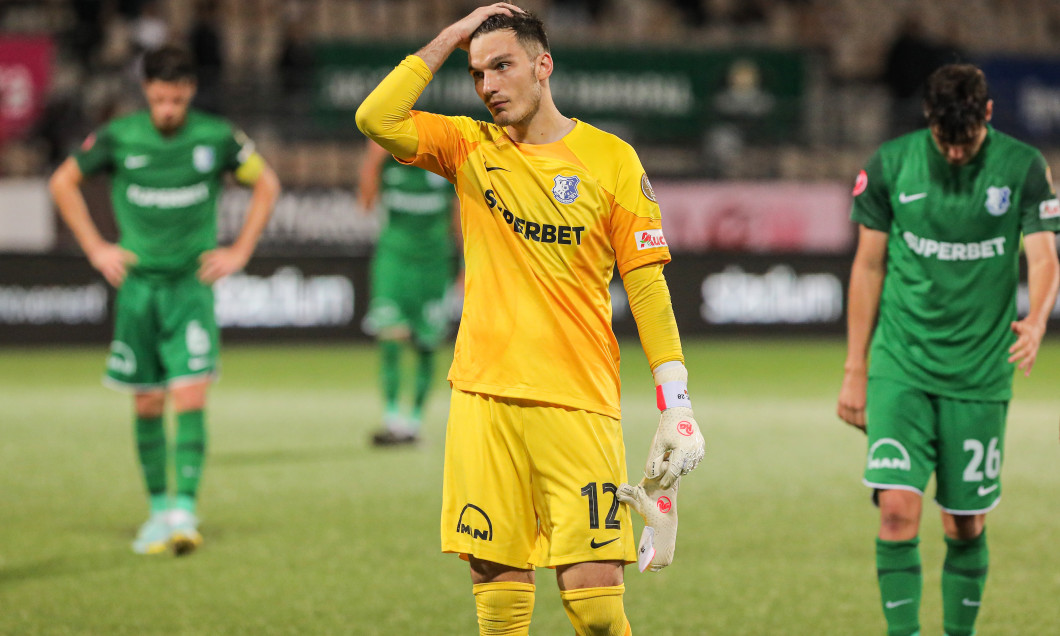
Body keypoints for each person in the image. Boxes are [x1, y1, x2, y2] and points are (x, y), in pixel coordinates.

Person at [355, 4, 705, 634]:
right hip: (484, 400)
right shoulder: (468, 147)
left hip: (576, 403)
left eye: (503, 65)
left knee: (598, 611)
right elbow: (375, 117)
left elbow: (647, 286)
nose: (488, 84)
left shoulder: (612, 159)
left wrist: (675, 400)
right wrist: (452, 36)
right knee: (499, 609)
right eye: (476, 71)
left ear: (544, 66)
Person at [837, 63, 1060, 636]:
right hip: (901, 364)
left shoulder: (1024, 167)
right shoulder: (891, 164)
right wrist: (856, 368)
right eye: (945, 141)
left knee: (964, 523)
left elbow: (1042, 257)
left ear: (987, 115)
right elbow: (866, 266)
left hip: (980, 374)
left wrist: (1036, 320)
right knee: (896, 510)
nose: (956, 154)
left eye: (967, 141)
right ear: (929, 120)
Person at [49, 45, 281, 556]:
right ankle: (157, 509)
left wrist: (240, 250)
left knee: (192, 395)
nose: (168, 110)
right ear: (146, 93)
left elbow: (266, 183)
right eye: (159, 99)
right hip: (137, 290)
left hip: (190, 288)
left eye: (176, 99)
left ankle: (185, 511)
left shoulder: (216, 137)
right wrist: (95, 248)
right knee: (149, 400)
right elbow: (62, 181)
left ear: (191, 92)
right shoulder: (119, 136)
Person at [358, 139, 459, 445]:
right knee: (390, 336)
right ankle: (391, 419)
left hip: (434, 263)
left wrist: (465, 266)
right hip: (394, 259)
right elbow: (365, 203)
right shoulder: (389, 165)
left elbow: (459, 220)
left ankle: (413, 423)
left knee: (427, 343)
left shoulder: (442, 169)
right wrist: (373, 159)